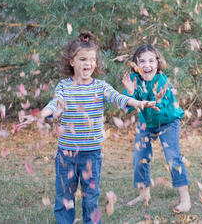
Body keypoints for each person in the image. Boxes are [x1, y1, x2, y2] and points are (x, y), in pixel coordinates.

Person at [38, 31, 158, 224]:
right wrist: (43, 114)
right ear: (71, 62)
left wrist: (137, 103)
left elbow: (118, 98)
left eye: (92, 60)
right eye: (83, 59)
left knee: (90, 198)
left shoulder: (100, 86)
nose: (88, 63)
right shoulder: (63, 86)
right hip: (66, 154)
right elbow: (56, 104)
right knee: (64, 197)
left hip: (91, 154)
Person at [122, 44, 191, 213]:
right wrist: (130, 93)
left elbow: (159, 106)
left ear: (158, 63)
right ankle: (144, 194)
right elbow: (126, 108)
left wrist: (158, 99)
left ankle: (185, 199)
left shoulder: (162, 80)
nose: (147, 65)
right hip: (146, 123)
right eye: (142, 61)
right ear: (136, 64)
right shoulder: (133, 79)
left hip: (168, 120)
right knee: (140, 156)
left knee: (173, 157)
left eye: (151, 61)